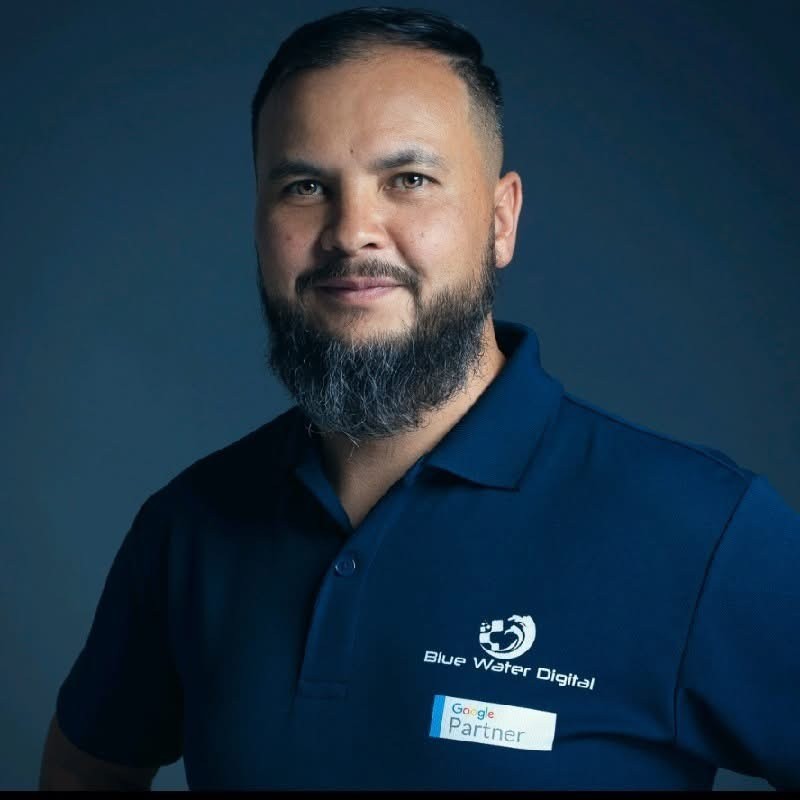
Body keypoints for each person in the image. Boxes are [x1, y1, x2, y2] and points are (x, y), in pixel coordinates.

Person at [40, 6, 800, 791]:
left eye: (409, 180)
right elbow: (81, 771)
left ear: (500, 220)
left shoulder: (703, 530)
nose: (351, 231)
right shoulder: (187, 527)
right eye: (305, 186)